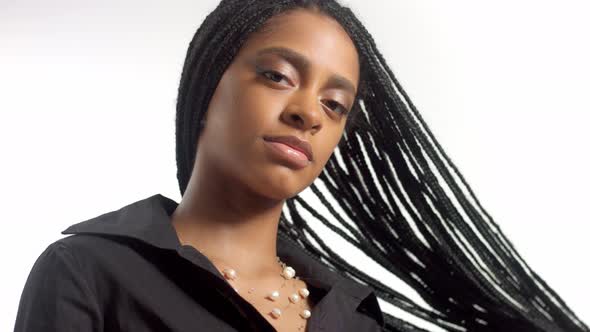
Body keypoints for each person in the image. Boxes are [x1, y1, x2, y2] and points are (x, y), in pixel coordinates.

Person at [13, 1, 589, 332]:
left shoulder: (355, 319)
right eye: (277, 76)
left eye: (335, 105)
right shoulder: (88, 272)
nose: (307, 112)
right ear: (209, 85)